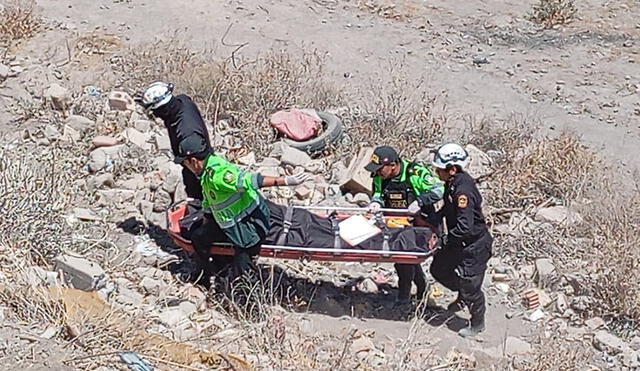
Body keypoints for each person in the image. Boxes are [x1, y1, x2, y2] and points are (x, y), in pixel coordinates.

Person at [174, 134, 311, 278]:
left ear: (194, 161)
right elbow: (210, 200)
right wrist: (206, 223)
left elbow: (249, 180)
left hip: (248, 228)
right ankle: (208, 273)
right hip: (229, 224)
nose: (186, 167)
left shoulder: (218, 175)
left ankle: (244, 291)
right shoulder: (206, 173)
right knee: (199, 237)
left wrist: (284, 181)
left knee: (241, 273)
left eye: (185, 163)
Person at [364, 145, 444, 307]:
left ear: (392, 166)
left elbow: (439, 189)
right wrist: (375, 203)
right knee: (403, 259)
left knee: (405, 259)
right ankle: (421, 288)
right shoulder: (379, 177)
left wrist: (420, 201)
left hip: (420, 224)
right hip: (396, 224)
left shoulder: (415, 173)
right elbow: (378, 193)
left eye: (380, 169)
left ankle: (404, 296)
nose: (378, 173)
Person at [429, 143, 493, 338]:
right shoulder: (452, 183)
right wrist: (434, 218)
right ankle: (463, 294)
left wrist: (445, 240)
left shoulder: (463, 190)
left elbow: (465, 227)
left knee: (471, 289)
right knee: (438, 269)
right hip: (459, 242)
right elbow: (449, 209)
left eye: (439, 169)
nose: (436, 172)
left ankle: (477, 322)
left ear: (452, 169)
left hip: (473, 246)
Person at [138, 82, 210, 200]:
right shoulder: (183, 101)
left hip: (200, 175)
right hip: (195, 163)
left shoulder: (187, 135)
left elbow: (199, 168)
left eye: (156, 112)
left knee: (201, 203)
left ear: (163, 109)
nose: (156, 116)